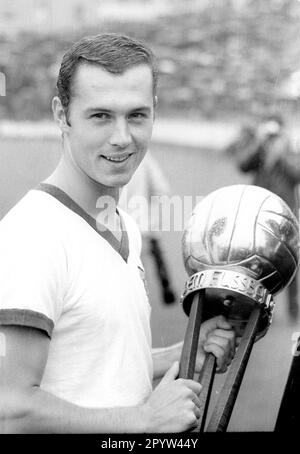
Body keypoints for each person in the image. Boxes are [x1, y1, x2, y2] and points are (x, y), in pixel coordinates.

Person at [0, 33, 236, 434]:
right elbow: (12, 407)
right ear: (62, 114)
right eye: (100, 115)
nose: (122, 137)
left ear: (155, 112)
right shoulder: (34, 234)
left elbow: (96, 365)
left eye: (137, 115)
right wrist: (141, 419)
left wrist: (182, 354)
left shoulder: (123, 223)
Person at [230, 112, 300, 319]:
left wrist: (282, 155)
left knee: (288, 257)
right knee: (257, 256)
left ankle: (293, 306)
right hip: (259, 209)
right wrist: (259, 144)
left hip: (284, 211)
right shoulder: (260, 149)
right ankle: (257, 303)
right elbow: (243, 165)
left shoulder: (290, 148)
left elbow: (297, 174)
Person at [119, 151, 177, 304]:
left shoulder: (102, 156)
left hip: (112, 227)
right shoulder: (143, 156)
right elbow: (162, 189)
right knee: (139, 277)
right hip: (140, 226)